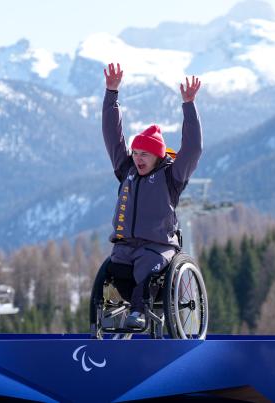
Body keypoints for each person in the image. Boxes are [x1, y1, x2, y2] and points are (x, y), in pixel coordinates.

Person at [102, 63, 202, 329]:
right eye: (135, 153)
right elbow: (113, 137)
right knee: (115, 273)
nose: (137, 158)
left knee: (146, 273)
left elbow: (193, 149)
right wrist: (111, 93)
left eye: (144, 154)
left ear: (158, 155)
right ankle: (114, 312)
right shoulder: (127, 172)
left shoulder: (172, 176)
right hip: (125, 246)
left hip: (158, 246)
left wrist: (189, 105)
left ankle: (140, 312)